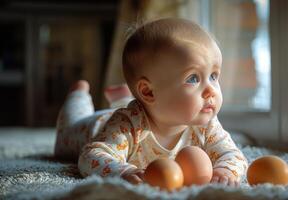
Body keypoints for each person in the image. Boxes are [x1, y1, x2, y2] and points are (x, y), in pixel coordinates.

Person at [54, 18, 248, 187]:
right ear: (148, 92)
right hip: (94, 126)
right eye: (193, 79)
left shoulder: (206, 125)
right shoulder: (128, 125)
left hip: (142, 106)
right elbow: (92, 156)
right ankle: (78, 95)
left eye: (214, 76)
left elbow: (233, 155)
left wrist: (225, 170)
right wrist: (123, 172)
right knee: (69, 129)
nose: (211, 90)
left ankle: (123, 97)